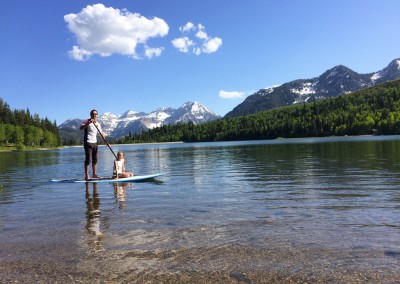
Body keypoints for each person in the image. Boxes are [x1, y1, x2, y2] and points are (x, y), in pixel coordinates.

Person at [80, 109, 106, 180]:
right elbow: (81, 128)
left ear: (97, 115)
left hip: (95, 143)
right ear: (90, 115)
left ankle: (94, 174)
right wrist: (88, 123)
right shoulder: (86, 121)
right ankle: (86, 176)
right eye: (92, 114)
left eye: (95, 114)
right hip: (88, 142)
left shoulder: (98, 124)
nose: (94, 115)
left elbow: (101, 134)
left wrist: (105, 141)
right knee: (88, 159)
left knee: (95, 159)